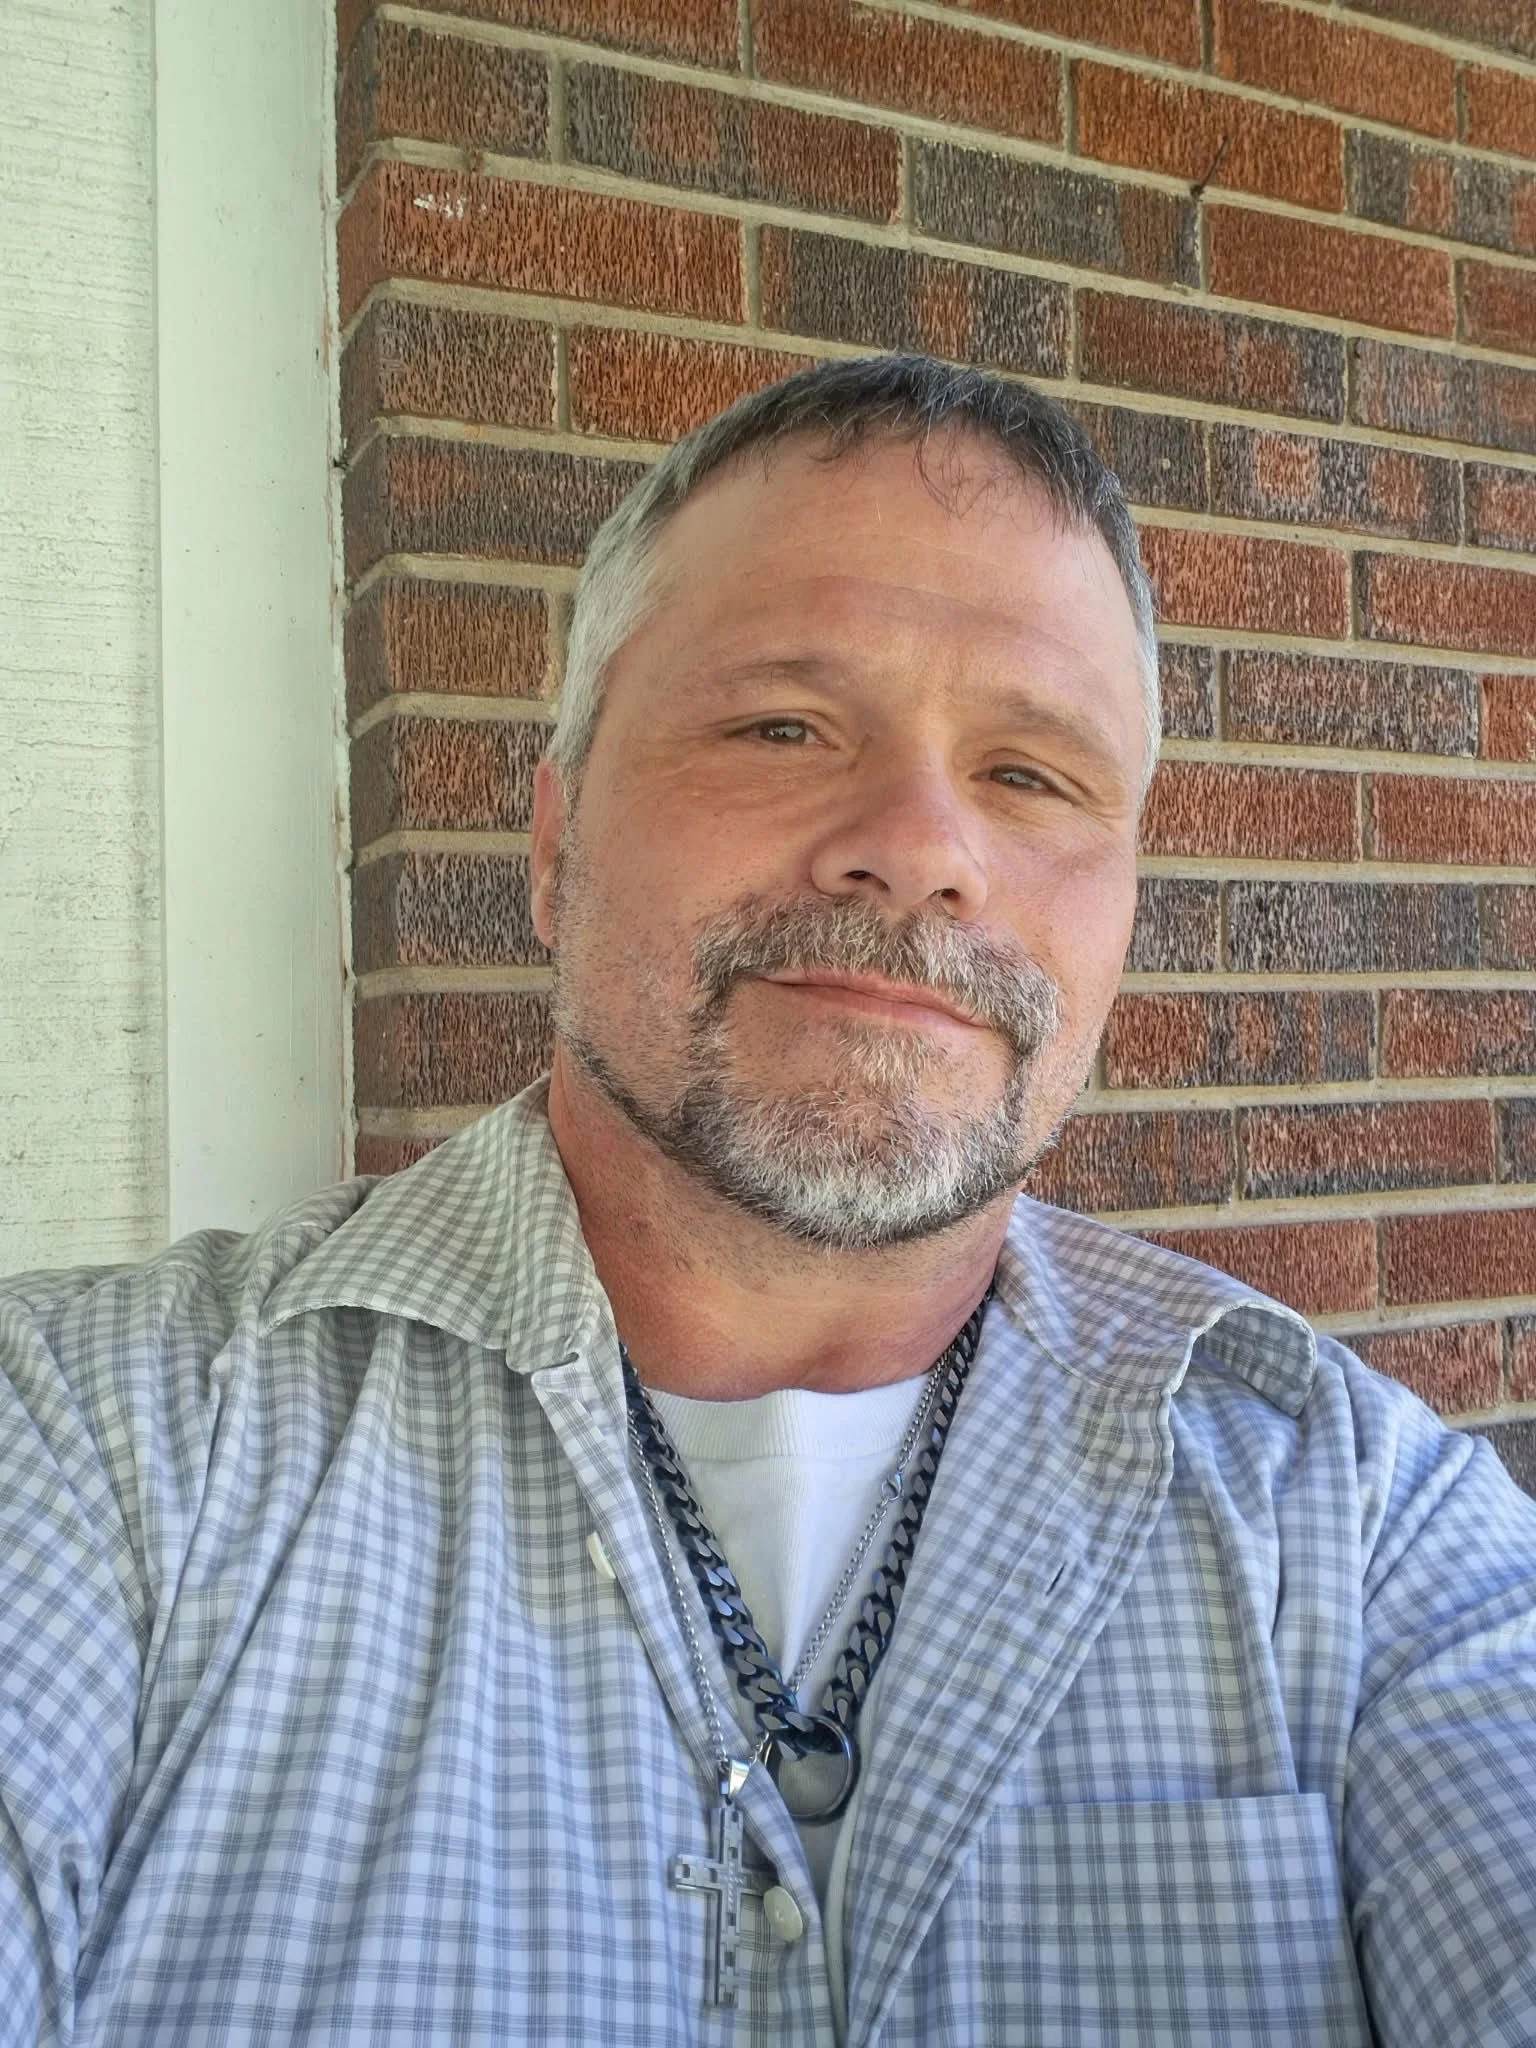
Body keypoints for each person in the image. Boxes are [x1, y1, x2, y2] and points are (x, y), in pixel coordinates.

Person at [2, 354, 1533, 2048]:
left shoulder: (1372, 1532)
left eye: (1033, 774)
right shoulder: (90, 1454)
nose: (920, 844)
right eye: (783, 726)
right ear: (553, 843)